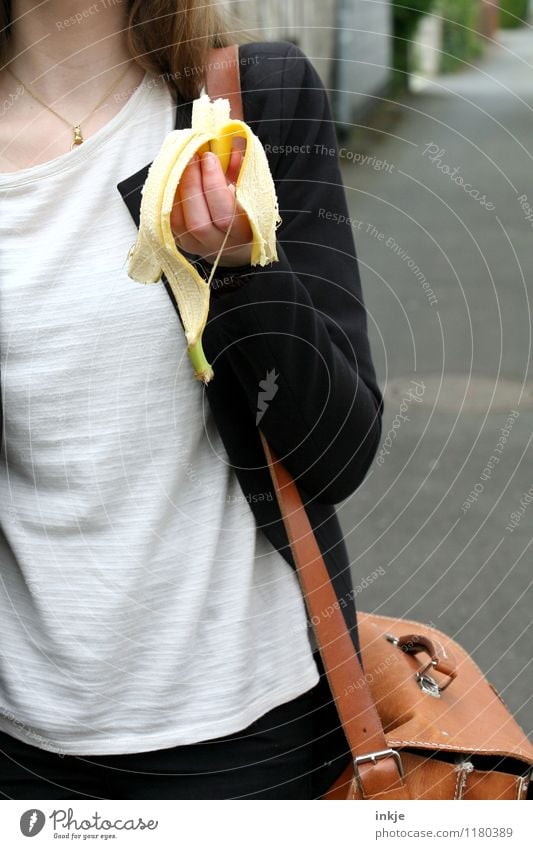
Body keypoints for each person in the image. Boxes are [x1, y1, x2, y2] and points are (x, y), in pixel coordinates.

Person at [0, 0, 383, 799]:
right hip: (17, 742)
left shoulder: (247, 100)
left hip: (247, 734)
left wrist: (243, 269)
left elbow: (339, 449)